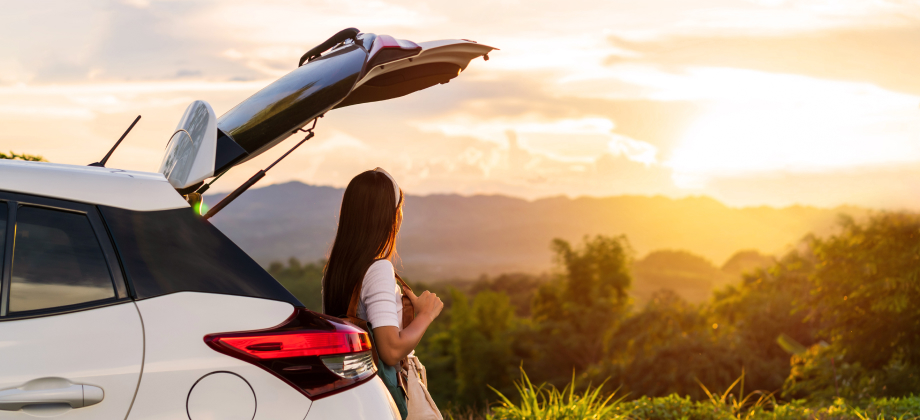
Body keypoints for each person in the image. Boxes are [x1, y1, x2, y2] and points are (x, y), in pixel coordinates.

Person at [322, 167, 443, 416]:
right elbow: (390, 351)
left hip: (353, 396)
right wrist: (425, 315)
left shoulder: (335, 270)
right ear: (391, 216)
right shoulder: (378, 269)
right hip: (382, 396)